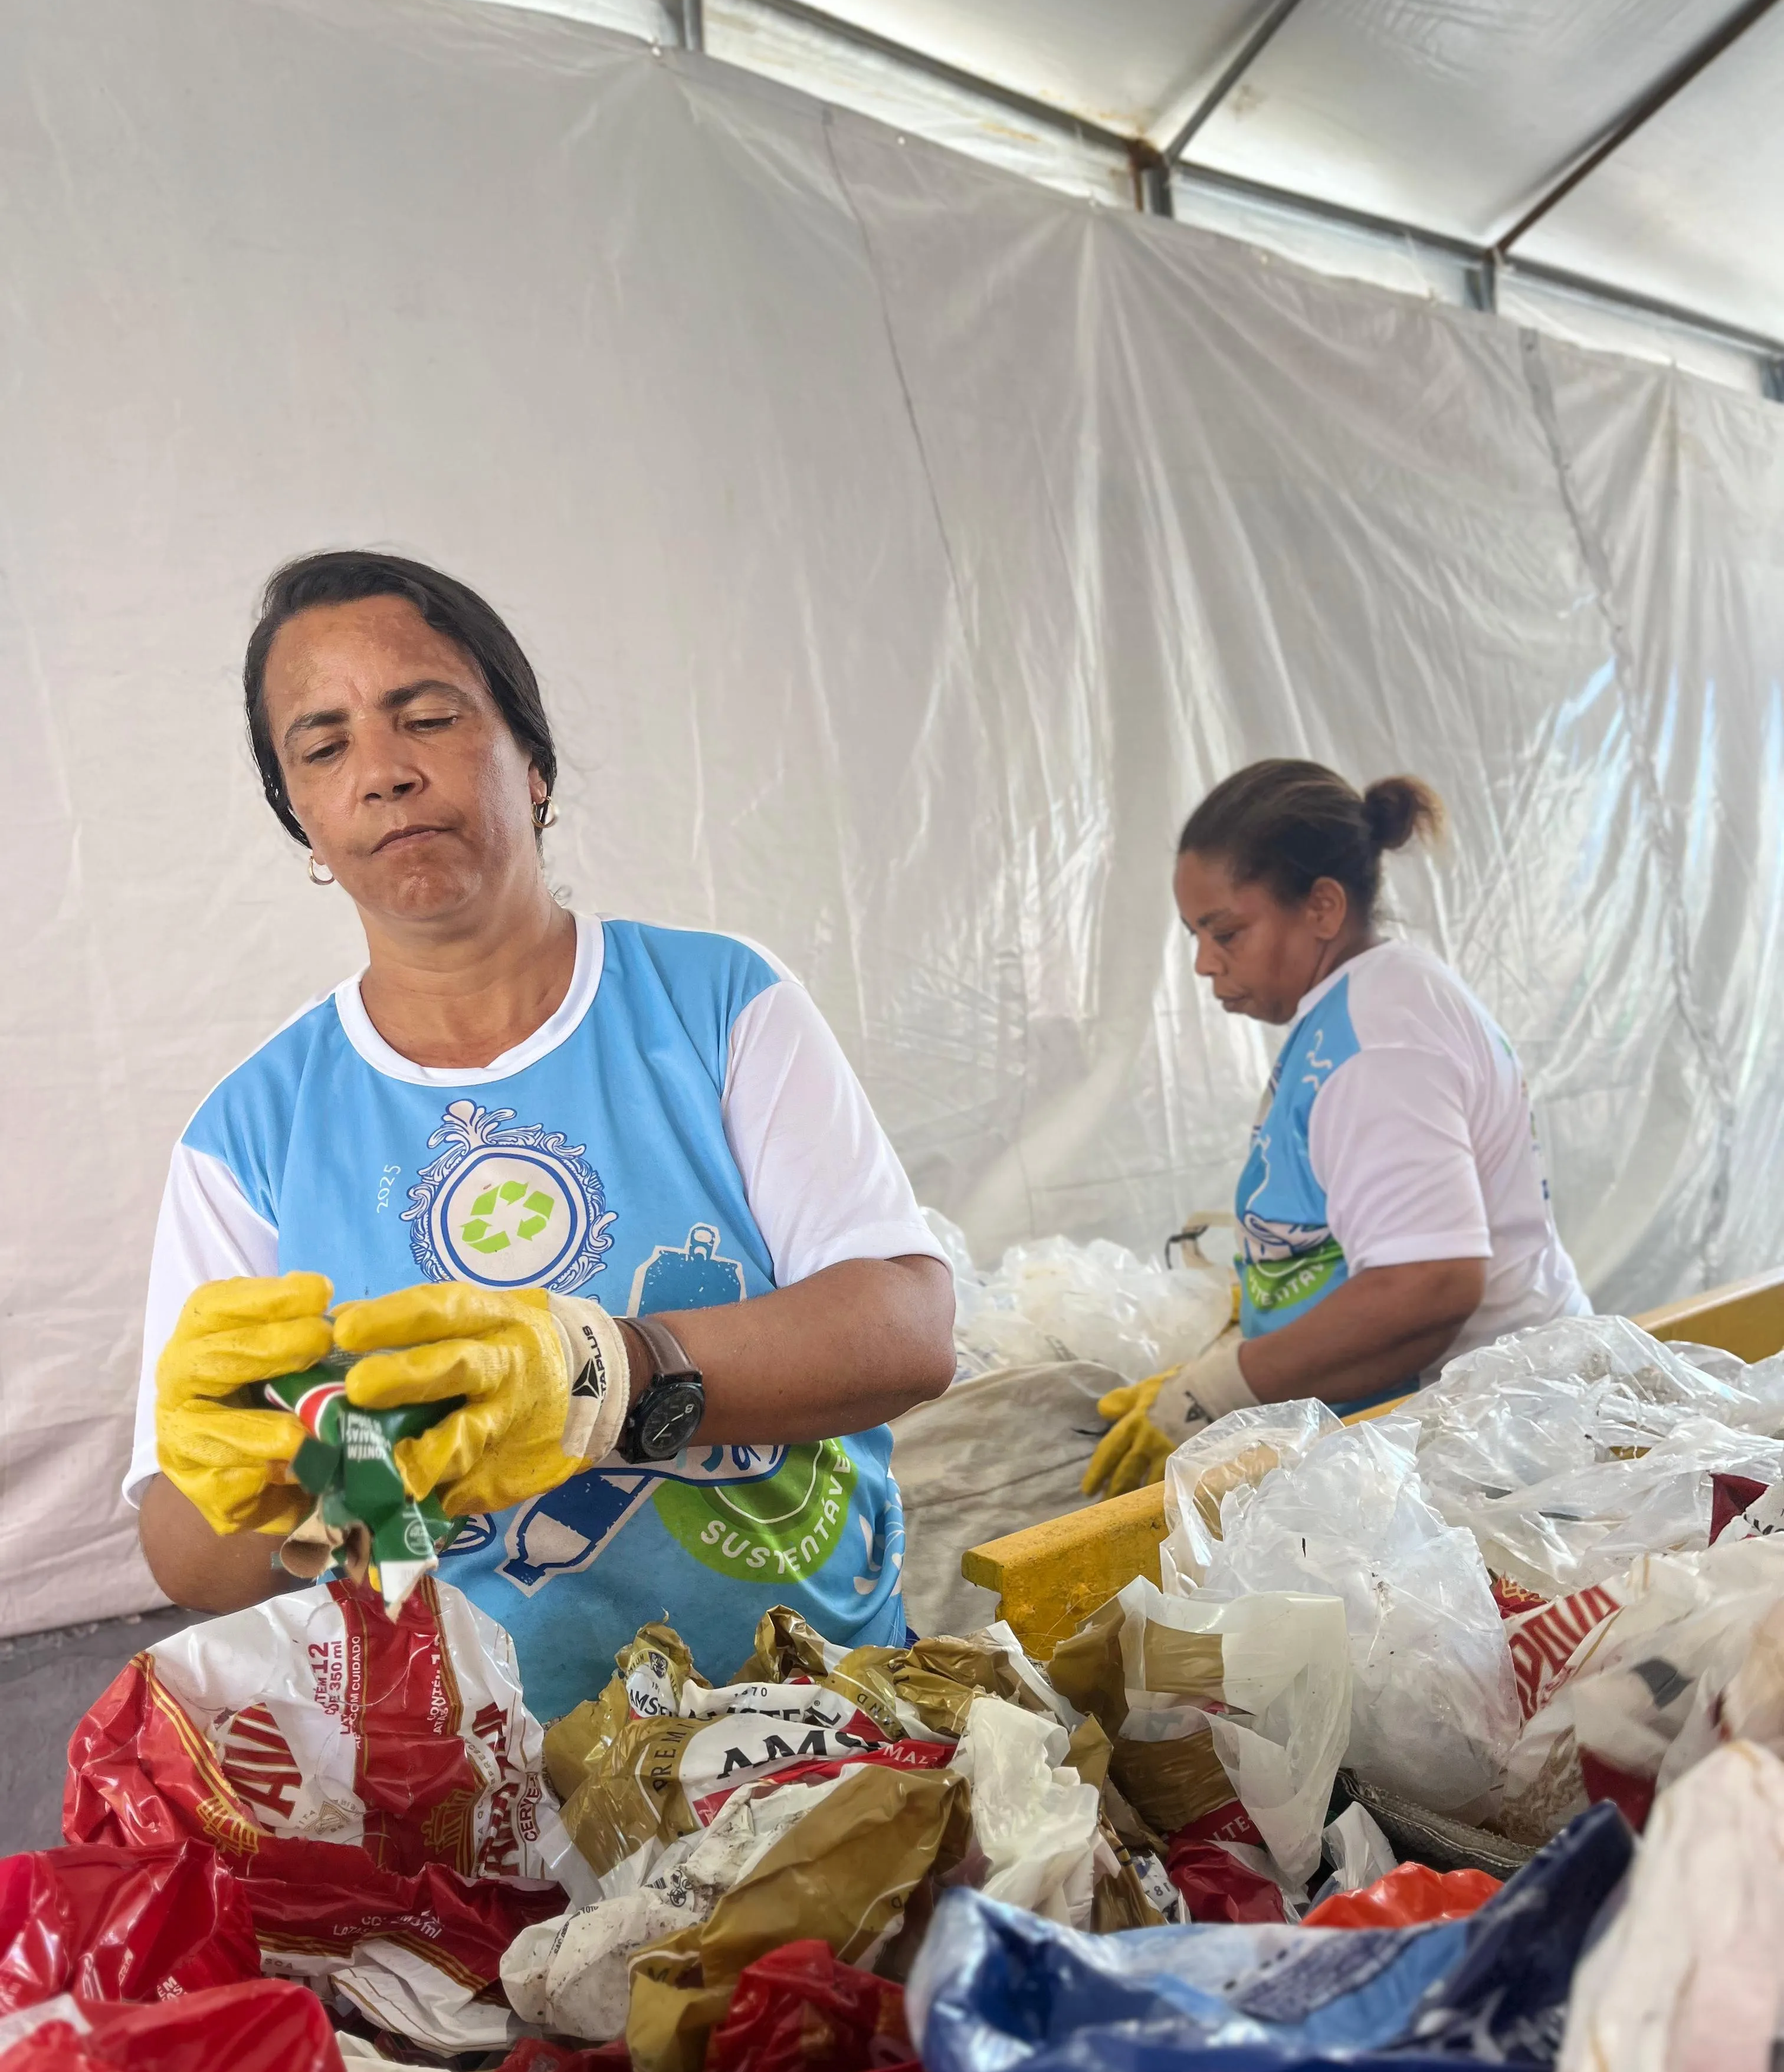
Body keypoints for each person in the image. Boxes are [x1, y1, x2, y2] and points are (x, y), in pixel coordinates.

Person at [131, 551, 956, 1719]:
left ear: (536, 764)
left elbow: (908, 1328)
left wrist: (606, 1371)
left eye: (429, 715)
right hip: (484, 1782)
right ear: (303, 825)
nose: (383, 772)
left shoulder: (716, 1004)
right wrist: (286, 1483)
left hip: (816, 1709)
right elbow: (184, 1545)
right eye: (323, 749)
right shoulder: (248, 1133)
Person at [1086, 759, 1588, 1497]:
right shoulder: (1369, 1001)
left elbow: (1429, 1285)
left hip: (1494, 1449)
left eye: (1226, 932)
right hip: (1479, 1422)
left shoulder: (1380, 1044)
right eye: (1197, 935)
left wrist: (1217, 1392)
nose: (1203, 963)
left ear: (1323, 907)